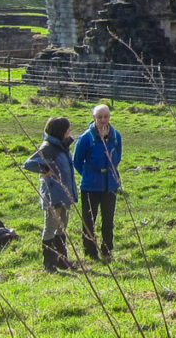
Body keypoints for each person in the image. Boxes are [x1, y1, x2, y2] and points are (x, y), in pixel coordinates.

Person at [23, 117, 78, 272]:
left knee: (62, 228)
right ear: (60, 131)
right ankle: (49, 264)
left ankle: (62, 260)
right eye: (68, 129)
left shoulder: (63, 146)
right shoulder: (48, 147)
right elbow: (28, 163)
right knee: (50, 228)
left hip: (65, 195)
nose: (70, 131)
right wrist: (44, 169)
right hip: (53, 195)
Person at [72, 104, 122, 262]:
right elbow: (77, 160)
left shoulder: (116, 135)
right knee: (89, 221)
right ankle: (90, 253)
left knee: (108, 221)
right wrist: (88, 174)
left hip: (110, 186)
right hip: (90, 186)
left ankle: (107, 251)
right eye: (99, 117)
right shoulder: (86, 137)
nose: (103, 120)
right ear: (93, 117)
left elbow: (118, 156)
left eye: (105, 116)